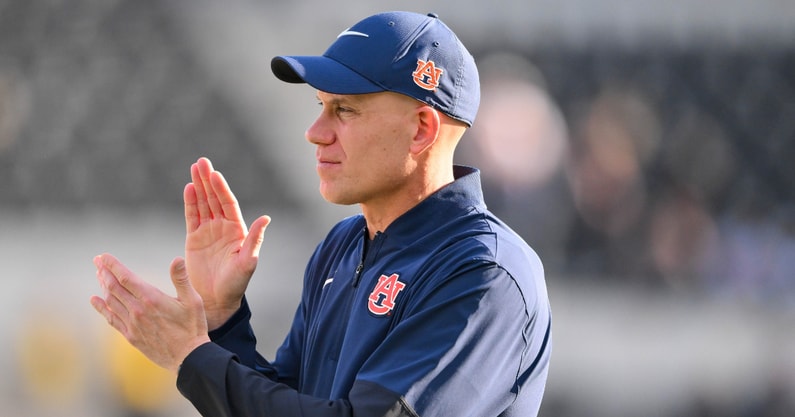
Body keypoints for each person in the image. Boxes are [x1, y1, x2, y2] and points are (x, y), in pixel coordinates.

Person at [90, 11, 552, 417]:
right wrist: (222, 320)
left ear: (421, 129)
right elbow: (289, 403)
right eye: (320, 106)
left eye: (344, 110)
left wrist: (191, 357)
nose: (315, 132)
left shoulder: (485, 273)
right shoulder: (342, 246)